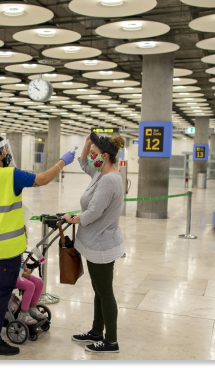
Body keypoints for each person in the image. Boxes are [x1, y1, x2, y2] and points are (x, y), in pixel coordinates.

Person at [0, 136, 76, 356]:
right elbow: (42, 179)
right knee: (0, 293)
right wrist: (62, 162)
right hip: (6, 249)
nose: (7, 153)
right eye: (5, 149)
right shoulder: (10, 175)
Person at [62, 132, 125, 354]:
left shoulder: (109, 180)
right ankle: (97, 331)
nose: (90, 157)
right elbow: (82, 163)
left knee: (105, 292)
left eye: (94, 154)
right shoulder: (101, 173)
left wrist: (71, 218)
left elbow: (91, 214)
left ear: (105, 156)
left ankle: (111, 341)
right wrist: (89, 142)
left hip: (102, 246)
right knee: (99, 290)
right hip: (95, 243)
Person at [15, 262, 47, 326]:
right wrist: (21, 272)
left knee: (39, 283)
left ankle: (32, 308)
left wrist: (25, 268)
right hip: (11, 275)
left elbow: (21, 262)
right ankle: (23, 314)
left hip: (20, 272)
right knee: (30, 286)